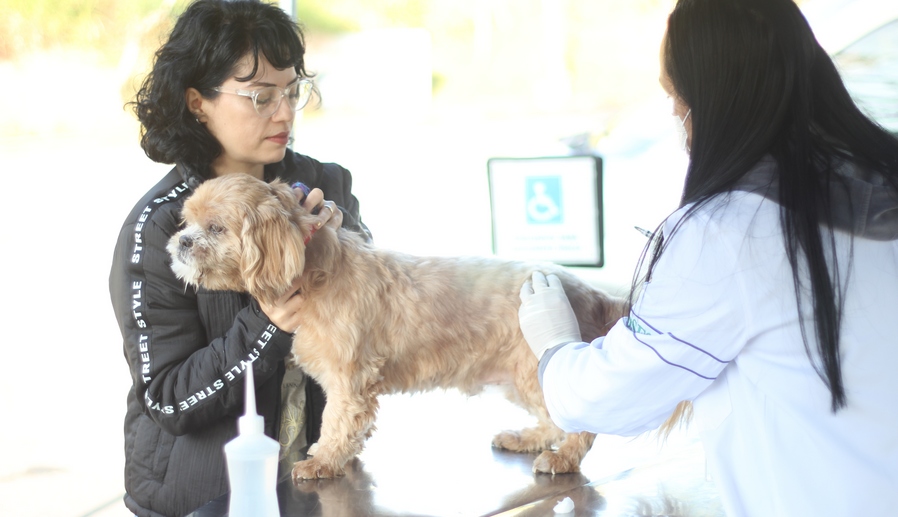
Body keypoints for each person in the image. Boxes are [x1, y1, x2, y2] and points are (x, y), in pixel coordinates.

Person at [518, 0, 898, 516]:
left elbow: (604, 398)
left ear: (715, 97)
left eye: (675, 95)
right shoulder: (879, 180)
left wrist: (555, 344)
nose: (675, 113)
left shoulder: (729, 232)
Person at [109, 1, 370, 515]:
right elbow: (168, 398)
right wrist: (269, 324)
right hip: (202, 495)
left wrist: (344, 250)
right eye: (261, 97)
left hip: (318, 479)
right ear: (197, 102)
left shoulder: (325, 186)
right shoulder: (163, 227)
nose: (285, 113)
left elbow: (374, 324)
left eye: (292, 91)